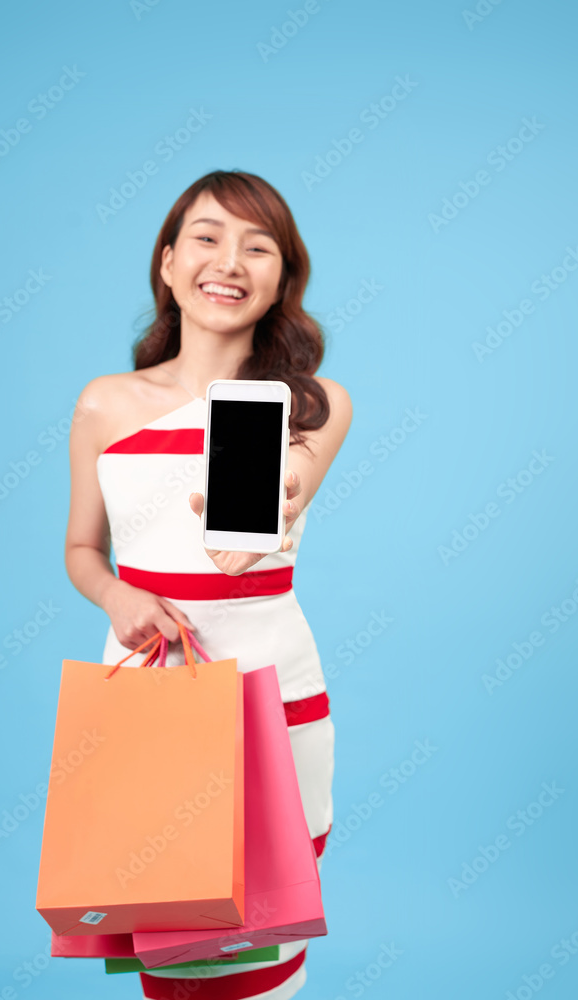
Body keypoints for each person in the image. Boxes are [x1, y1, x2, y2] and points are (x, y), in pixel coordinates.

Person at [65, 169, 353, 999]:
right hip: (150, 686)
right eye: (207, 236)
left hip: (272, 686)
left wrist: (275, 507)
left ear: (280, 280)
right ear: (166, 263)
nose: (230, 260)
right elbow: (82, 548)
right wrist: (118, 595)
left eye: (257, 246)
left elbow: (278, 503)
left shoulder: (311, 405)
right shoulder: (105, 404)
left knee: (265, 922)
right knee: (166, 920)